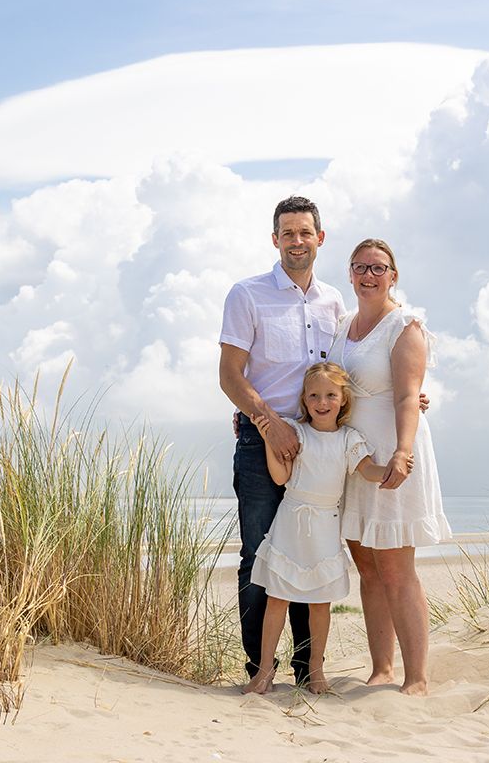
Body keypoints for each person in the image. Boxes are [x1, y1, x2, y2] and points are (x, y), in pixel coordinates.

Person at [219, 195, 343, 686]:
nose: (297, 241)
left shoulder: (334, 301)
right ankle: (259, 670)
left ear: (319, 238)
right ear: (275, 239)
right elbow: (230, 376)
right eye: (287, 233)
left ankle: (308, 670)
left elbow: (346, 374)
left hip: (320, 447)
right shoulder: (247, 295)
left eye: (305, 232)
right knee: (261, 553)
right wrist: (269, 423)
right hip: (260, 442)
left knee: (309, 555)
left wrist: (409, 395)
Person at [330, 238, 452, 696]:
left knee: (397, 568)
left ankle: (416, 678)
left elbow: (407, 395)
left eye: (378, 268)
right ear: (350, 273)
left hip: (393, 454)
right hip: (356, 458)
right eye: (360, 267)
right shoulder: (342, 327)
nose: (369, 275)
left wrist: (402, 451)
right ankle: (380, 668)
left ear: (393, 275)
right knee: (367, 567)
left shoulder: (405, 326)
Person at [243, 362, 391, 695]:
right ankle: (264, 671)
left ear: (343, 399)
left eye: (329, 395)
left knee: (319, 604)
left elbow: (366, 470)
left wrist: (389, 470)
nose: (321, 402)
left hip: (325, 527)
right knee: (277, 599)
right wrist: (269, 438)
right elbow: (281, 478)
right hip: (290, 522)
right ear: (305, 399)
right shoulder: (297, 433)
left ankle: (316, 671)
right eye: (314, 395)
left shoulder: (349, 439)